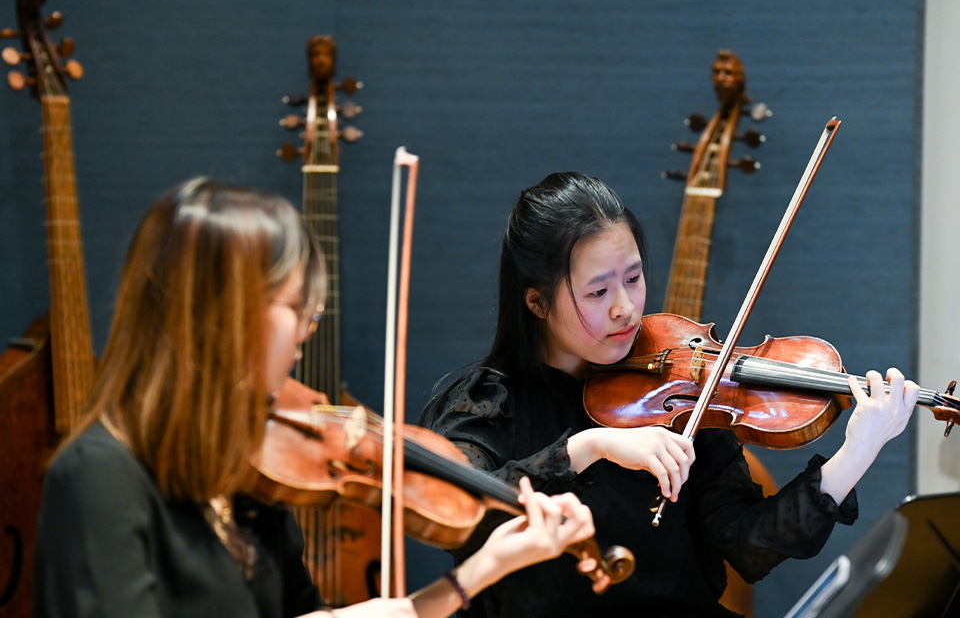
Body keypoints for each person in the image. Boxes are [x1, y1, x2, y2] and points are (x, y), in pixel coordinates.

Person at [32, 177, 597, 618]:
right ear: (220, 312)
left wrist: (483, 570)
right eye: (296, 304)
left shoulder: (248, 468)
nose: (308, 326)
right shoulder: (99, 479)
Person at [419, 171, 920, 617]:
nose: (626, 308)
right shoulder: (487, 402)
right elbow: (459, 506)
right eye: (598, 292)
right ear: (536, 301)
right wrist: (588, 447)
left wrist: (858, 451)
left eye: (634, 278)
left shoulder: (680, 395)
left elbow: (750, 546)